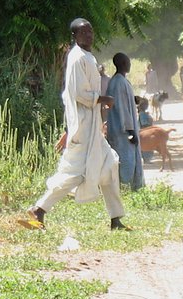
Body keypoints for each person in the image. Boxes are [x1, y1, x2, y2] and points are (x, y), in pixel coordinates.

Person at [21, 18, 129, 231]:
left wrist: (99, 105)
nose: (89, 35)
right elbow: (78, 93)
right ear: (75, 36)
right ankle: (39, 209)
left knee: (110, 165)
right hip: (82, 126)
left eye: (91, 31)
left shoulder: (88, 56)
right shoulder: (76, 58)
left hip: (93, 127)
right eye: (84, 32)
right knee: (74, 174)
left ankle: (116, 219)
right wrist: (101, 99)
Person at [106, 52, 145, 190]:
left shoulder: (121, 81)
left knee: (129, 158)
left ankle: (129, 187)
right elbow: (122, 109)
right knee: (125, 160)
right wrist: (130, 131)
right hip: (122, 131)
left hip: (123, 129)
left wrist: (133, 99)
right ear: (123, 64)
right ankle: (124, 188)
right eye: (128, 62)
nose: (129, 64)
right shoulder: (118, 82)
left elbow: (123, 101)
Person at [137, 97, 154, 164]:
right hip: (145, 132)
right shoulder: (142, 114)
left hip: (144, 132)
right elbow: (144, 124)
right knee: (147, 146)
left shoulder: (143, 113)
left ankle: (146, 159)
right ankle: (146, 159)